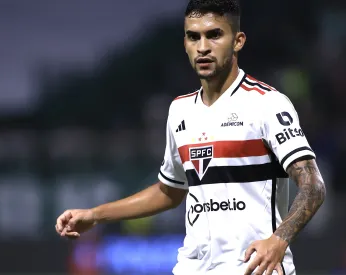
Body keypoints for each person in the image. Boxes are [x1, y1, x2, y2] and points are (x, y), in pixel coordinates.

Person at [55, 0, 326, 274]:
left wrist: (279, 240)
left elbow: (313, 186)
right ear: (185, 43)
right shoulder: (180, 111)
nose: (203, 46)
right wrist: (94, 215)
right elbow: (169, 191)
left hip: (253, 268)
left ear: (238, 41)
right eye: (193, 36)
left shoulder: (267, 104)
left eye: (214, 35)